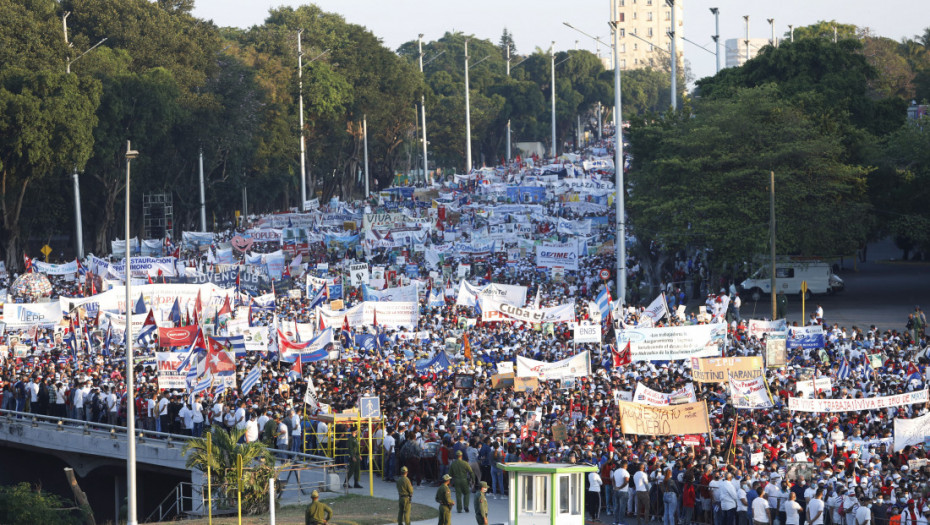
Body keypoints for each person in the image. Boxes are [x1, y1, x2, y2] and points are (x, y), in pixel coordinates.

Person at [613, 459, 631, 525]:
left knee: (616, 506)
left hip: (616, 490)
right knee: (622, 507)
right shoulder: (626, 472)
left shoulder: (616, 471)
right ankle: (621, 521)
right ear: (626, 465)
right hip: (623, 491)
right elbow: (626, 481)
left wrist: (615, 486)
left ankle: (616, 521)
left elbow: (613, 480)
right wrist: (620, 487)